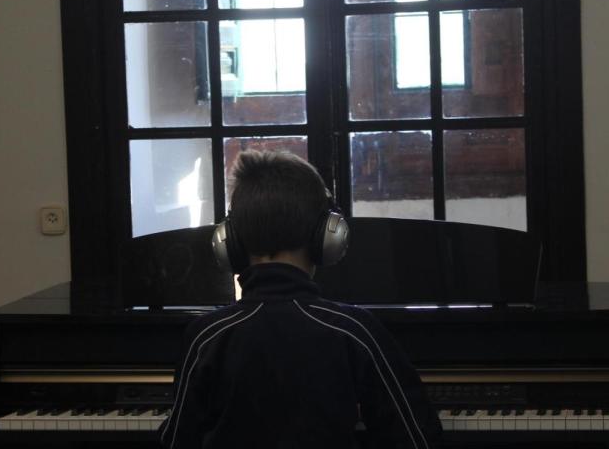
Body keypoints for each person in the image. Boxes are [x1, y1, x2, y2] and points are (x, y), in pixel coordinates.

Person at [158, 150, 440, 449]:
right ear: (326, 238)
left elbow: (176, 440)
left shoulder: (206, 336)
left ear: (231, 243)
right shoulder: (355, 331)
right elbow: (418, 438)